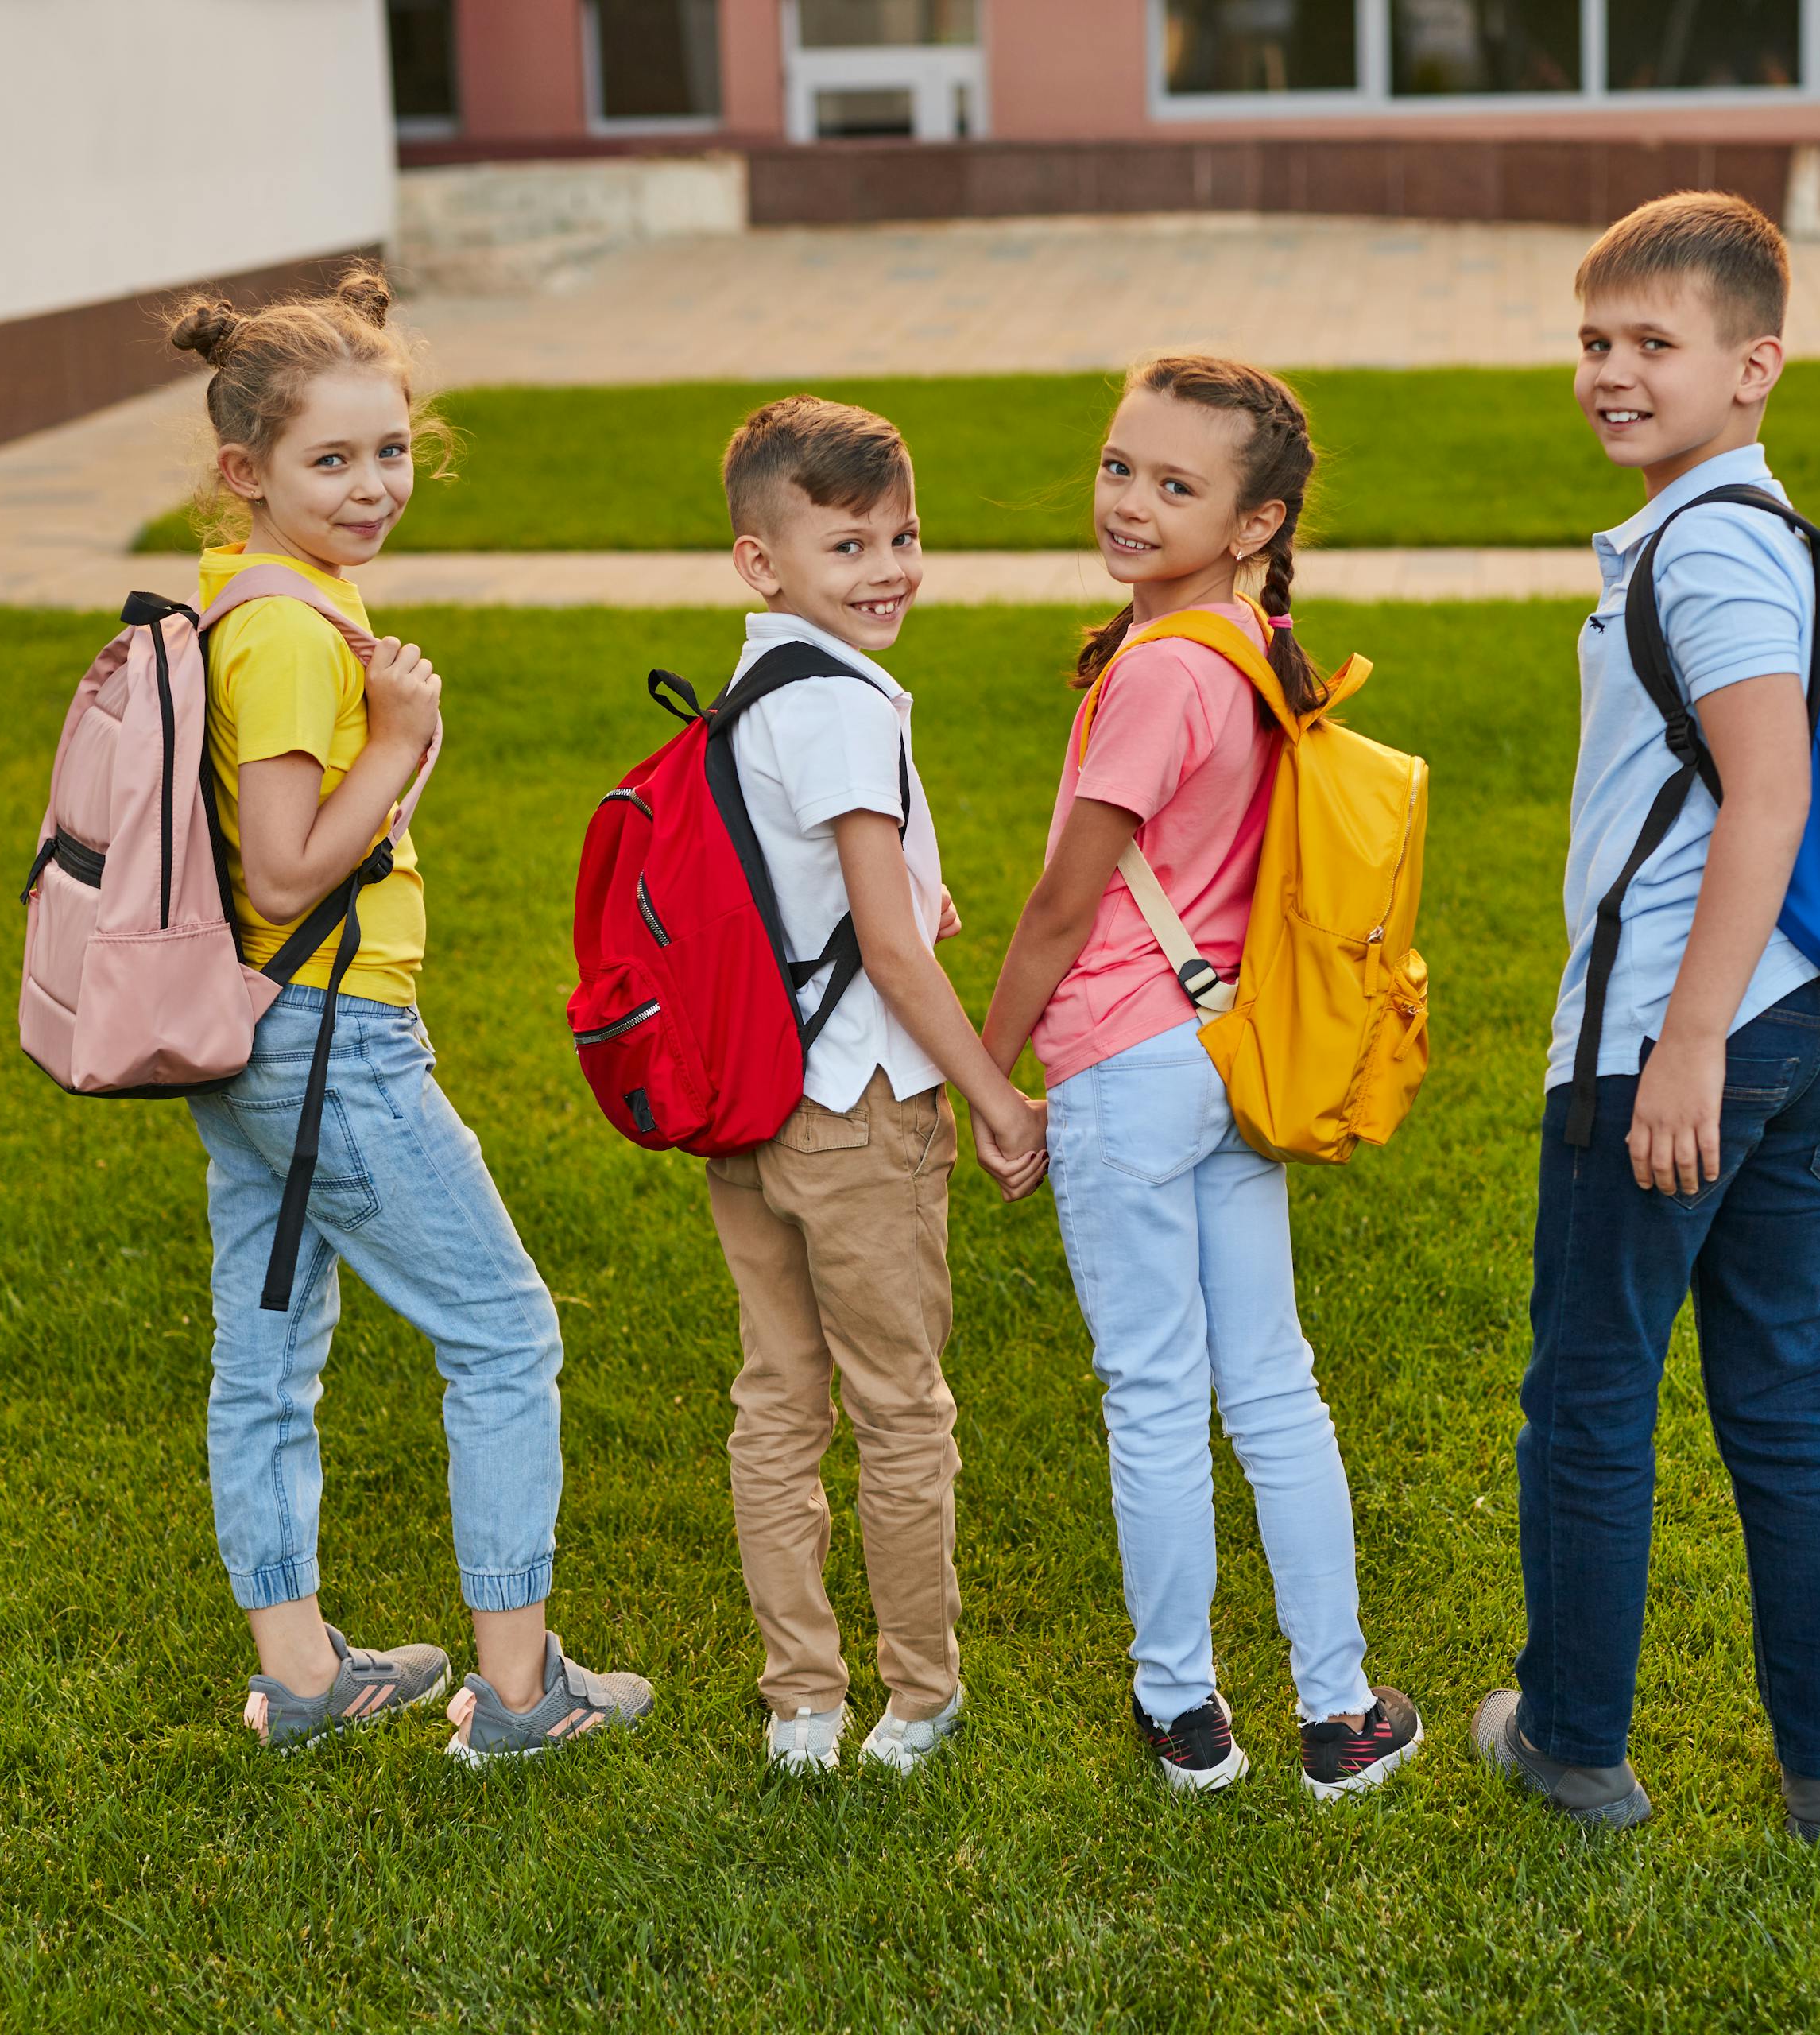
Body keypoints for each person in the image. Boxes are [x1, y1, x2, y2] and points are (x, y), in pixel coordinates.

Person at [168, 267, 652, 1760]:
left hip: (250, 1034)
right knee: (505, 1334)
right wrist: (403, 734)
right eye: (332, 460)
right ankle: (519, 1695)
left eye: (390, 451)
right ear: (247, 472)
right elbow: (288, 858)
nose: (374, 486)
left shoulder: (235, 590)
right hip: (331, 1034)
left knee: (269, 1354)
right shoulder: (292, 633)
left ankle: (304, 1674)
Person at [1470, 192, 1820, 1839]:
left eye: (1656, 344)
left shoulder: (1708, 541)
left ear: (1755, 364)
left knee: (1590, 1392)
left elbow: (1768, 794)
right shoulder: (1756, 527)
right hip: (1808, 1020)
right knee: (1784, 1387)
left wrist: (1684, 1044)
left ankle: (1573, 1742)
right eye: (1595, 341)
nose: (1612, 373)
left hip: (1680, 1038)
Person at [981, 355, 1422, 1801]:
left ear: (1254, 520)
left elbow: (1060, 904)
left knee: (1156, 1396)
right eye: (1120, 467)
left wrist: (990, 1074)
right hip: (1230, 1052)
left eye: (1177, 486)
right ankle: (1339, 1712)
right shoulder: (1244, 641)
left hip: (1123, 1062)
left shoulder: (1161, 671)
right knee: (1275, 1387)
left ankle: (1185, 1714)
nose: (1129, 502)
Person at [703, 396, 1047, 1774]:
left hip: (752, 1101)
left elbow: (817, 897)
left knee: (776, 1400)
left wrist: (903, 896)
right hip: (855, 1113)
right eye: (848, 545)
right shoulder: (845, 705)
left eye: (904, 535)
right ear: (763, 559)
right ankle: (917, 1697)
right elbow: (893, 961)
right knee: (899, 1407)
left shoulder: (753, 685)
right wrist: (992, 1095)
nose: (888, 569)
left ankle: (801, 1699)